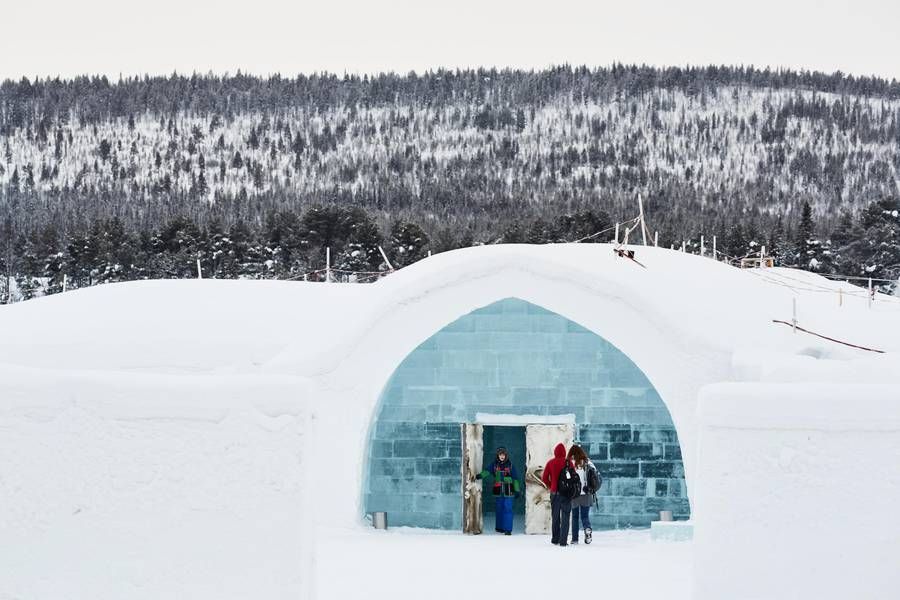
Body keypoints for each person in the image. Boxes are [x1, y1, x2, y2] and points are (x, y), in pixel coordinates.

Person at [475, 447, 521, 535]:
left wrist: (517, 490)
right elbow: (487, 471)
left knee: (508, 508)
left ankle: (508, 529)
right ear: (498, 455)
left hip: (509, 490)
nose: (502, 456)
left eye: (503, 454)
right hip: (498, 489)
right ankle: (500, 527)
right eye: (500, 454)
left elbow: (515, 478)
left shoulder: (510, 465)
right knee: (499, 508)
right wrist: (480, 476)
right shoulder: (494, 465)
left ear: (506, 455)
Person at [541, 443, 573, 546]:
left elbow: (544, 478)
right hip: (567, 494)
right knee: (565, 517)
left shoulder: (551, 463)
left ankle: (555, 539)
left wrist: (551, 486)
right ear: (564, 452)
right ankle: (563, 541)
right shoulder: (569, 463)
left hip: (555, 493)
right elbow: (573, 477)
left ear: (555, 452)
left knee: (555, 517)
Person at [568, 445, 601, 544]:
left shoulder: (571, 463)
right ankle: (587, 529)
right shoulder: (588, 462)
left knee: (574, 517)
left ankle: (574, 539)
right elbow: (597, 477)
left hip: (574, 494)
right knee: (585, 516)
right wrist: (591, 489)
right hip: (586, 494)